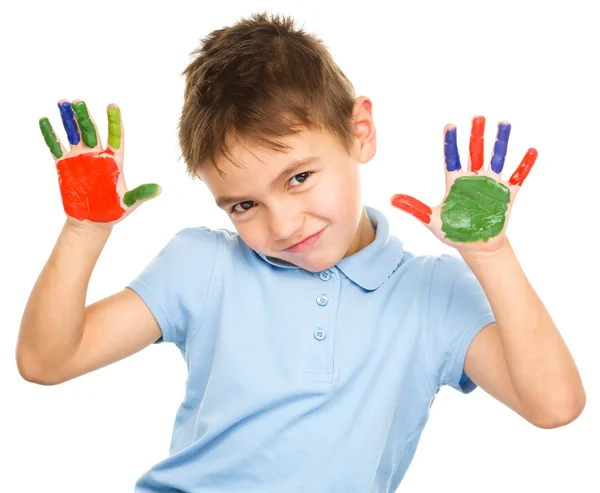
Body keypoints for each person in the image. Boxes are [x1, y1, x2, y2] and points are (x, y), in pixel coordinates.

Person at [17, 11, 585, 493]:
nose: (283, 225)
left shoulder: (431, 294)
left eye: (298, 177)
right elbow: (48, 361)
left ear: (359, 132)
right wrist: (84, 231)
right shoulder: (203, 266)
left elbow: (554, 405)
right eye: (242, 206)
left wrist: (490, 254)